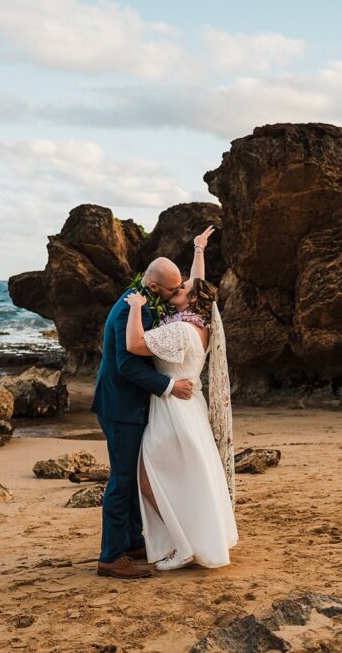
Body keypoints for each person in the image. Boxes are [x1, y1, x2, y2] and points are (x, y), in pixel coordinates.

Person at [124, 226, 238, 571]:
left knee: (148, 478)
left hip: (172, 409)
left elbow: (134, 345)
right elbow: (198, 285)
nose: (180, 285)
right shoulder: (201, 322)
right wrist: (198, 250)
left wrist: (135, 306)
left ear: (188, 299)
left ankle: (182, 545)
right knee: (191, 477)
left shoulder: (180, 330)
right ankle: (190, 540)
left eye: (183, 287)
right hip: (190, 408)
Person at [91, 254, 195, 579]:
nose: (176, 294)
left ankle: (132, 543)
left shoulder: (143, 300)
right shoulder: (131, 308)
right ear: (153, 286)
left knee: (133, 476)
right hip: (121, 407)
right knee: (122, 480)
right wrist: (169, 386)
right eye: (172, 289)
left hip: (128, 404)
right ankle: (110, 557)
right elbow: (126, 362)